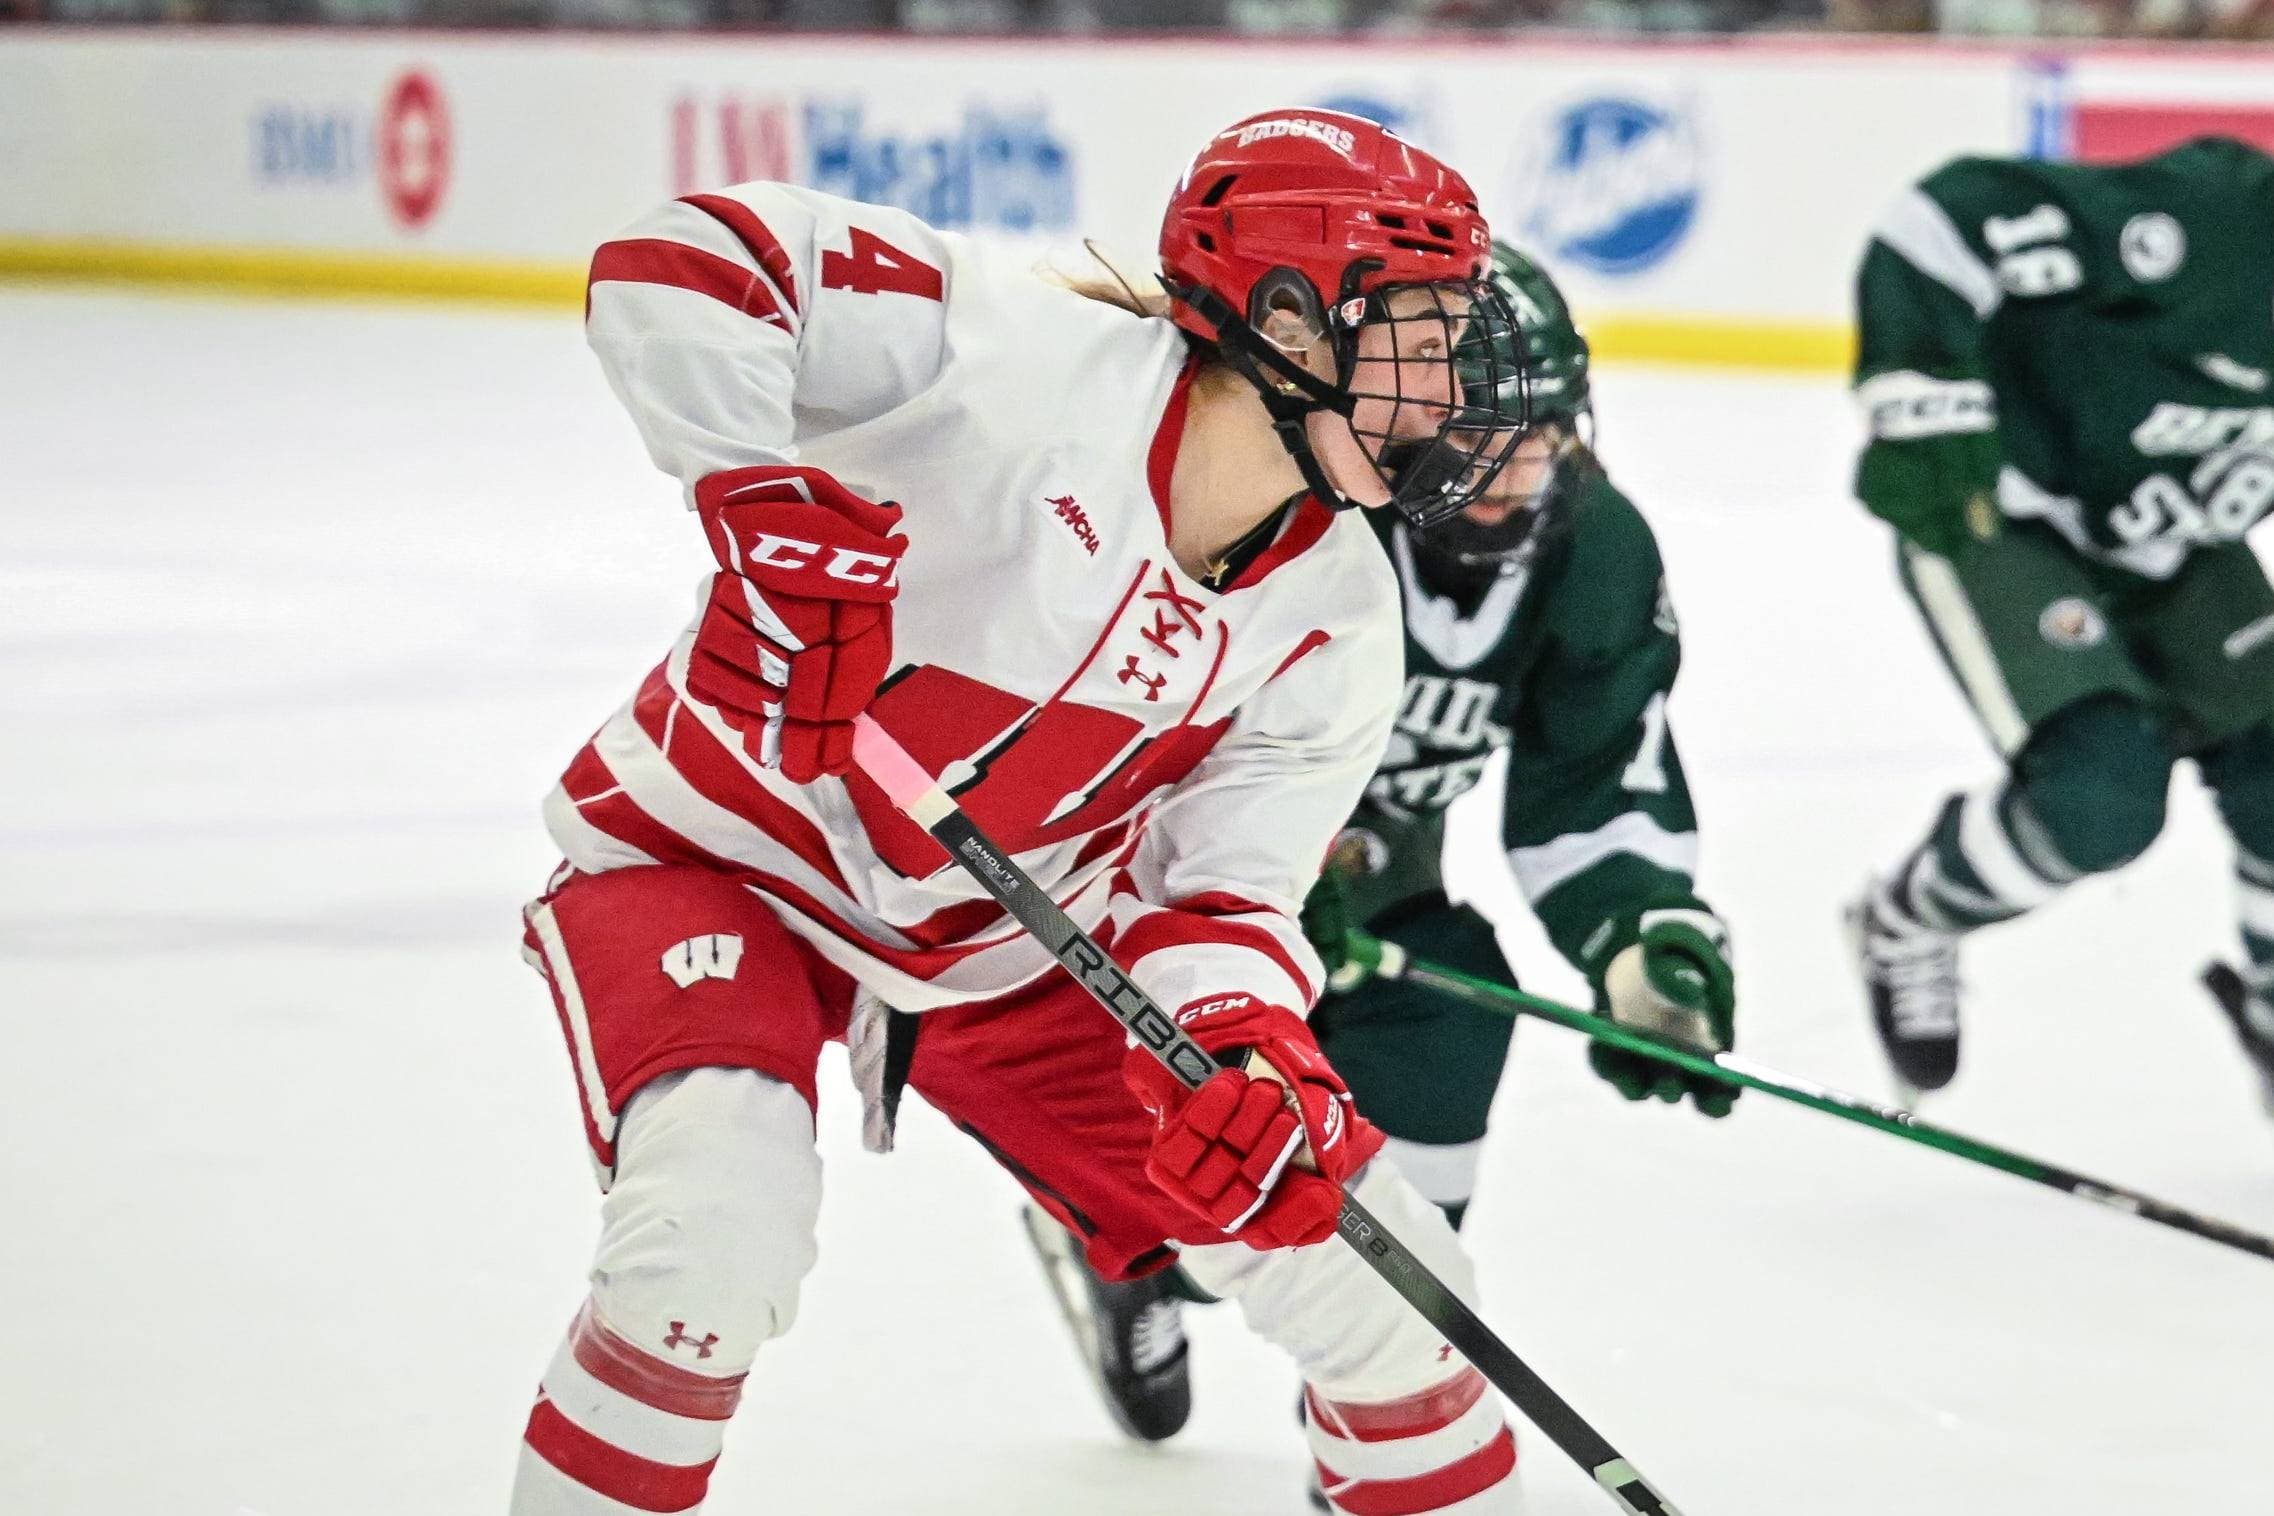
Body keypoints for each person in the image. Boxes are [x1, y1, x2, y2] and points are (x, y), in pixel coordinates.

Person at [509, 108, 1537, 1516]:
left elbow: (1220, 897)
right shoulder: (999, 353)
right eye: (1417, 335)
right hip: (719, 861)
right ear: (1285, 318)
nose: (1450, 391)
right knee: (710, 1239)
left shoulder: (1340, 616)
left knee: (1388, 1287)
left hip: (1014, 943)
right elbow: (686, 258)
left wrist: (1250, 1049)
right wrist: (751, 487)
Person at [1024, 243, 1737, 1462]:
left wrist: (1640, 936)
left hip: (1372, 902)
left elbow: (1592, 777)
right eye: (1491, 443)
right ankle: (1132, 1251)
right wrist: (1264, 894)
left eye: (1548, 435)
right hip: (1172, 902)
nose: (1527, 475)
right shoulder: (1300, 514)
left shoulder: (1594, 548)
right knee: (1207, 1157)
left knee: (1457, 1013)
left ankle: (1373, 1415)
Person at [1843, 137, 2274, 1107]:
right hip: (2007, 509)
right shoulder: (2223, 221)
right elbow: (1947, 218)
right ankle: (1908, 916)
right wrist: (1921, 403)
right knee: (2101, 799)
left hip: (2176, 533)